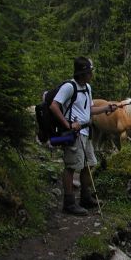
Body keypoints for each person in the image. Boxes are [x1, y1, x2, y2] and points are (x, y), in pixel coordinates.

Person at [50, 56, 118, 215]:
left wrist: (106, 108)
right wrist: (68, 125)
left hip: (86, 131)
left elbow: (90, 110)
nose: (91, 75)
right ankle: (69, 203)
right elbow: (54, 106)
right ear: (81, 73)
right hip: (74, 133)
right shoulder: (69, 87)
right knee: (72, 166)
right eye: (88, 72)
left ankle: (85, 198)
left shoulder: (87, 87)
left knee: (90, 163)